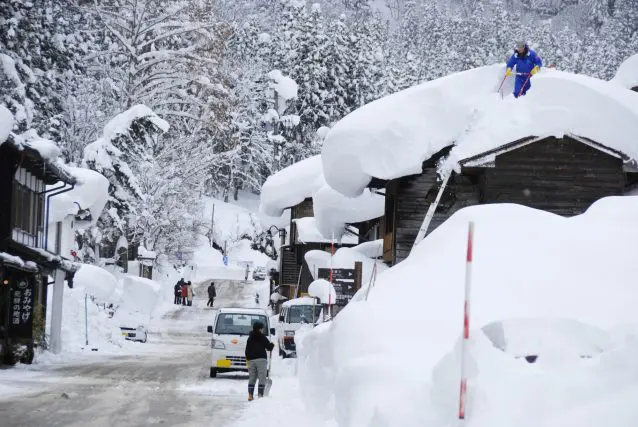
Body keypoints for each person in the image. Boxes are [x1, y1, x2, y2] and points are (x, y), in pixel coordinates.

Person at [245, 321, 274, 401]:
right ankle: (260, 395)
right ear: (259, 329)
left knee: (252, 378)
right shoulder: (262, 337)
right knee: (262, 377)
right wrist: (272, 345)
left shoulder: (250, 338)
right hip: (261, 360)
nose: (262, 330)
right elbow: (269, 347)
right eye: (262, 328)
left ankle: (250, 395)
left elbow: (247, 350)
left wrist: (249, 359)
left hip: (251, 360)